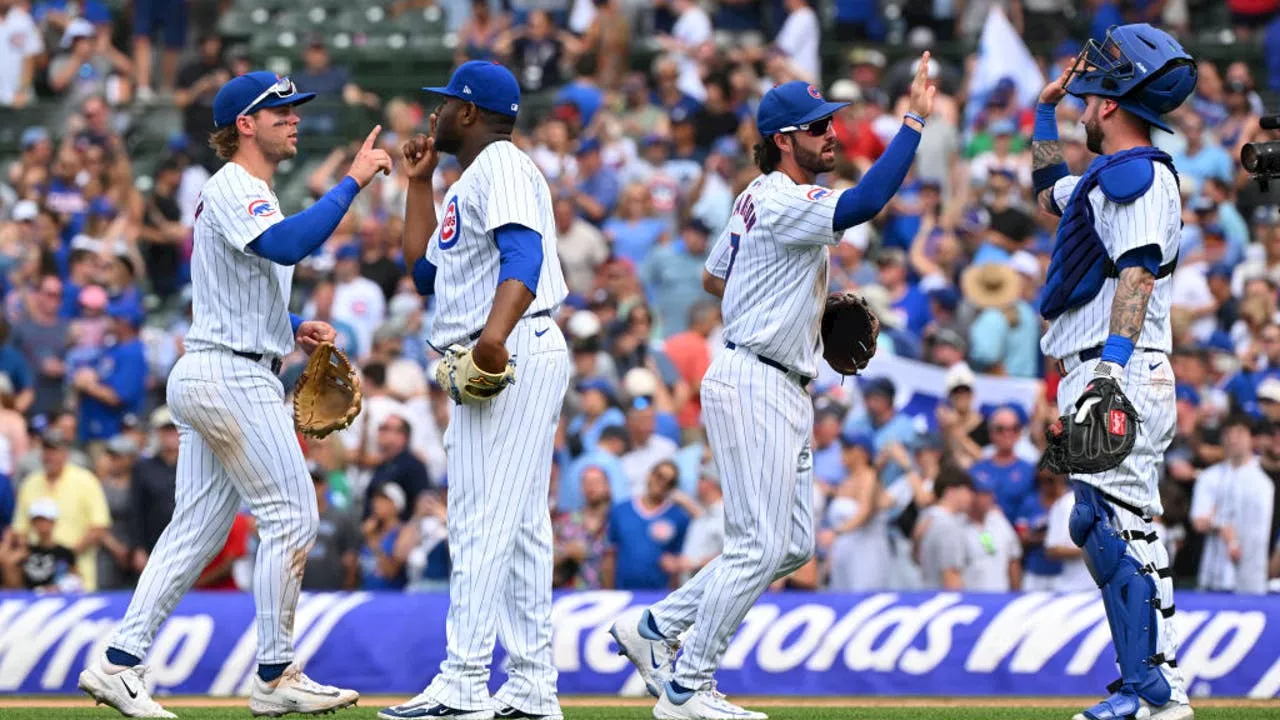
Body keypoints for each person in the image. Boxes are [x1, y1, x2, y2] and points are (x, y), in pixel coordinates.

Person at [610, 54, 934, 718]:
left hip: (776, 376)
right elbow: (869, 201)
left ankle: (651, 630)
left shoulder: (753, 198)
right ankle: (687, 684)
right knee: (757, 545)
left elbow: (713, 276)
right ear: (783, 138)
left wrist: (786, 297)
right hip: (756, 376)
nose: (831, 135)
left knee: (787, 546)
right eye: (817, 128)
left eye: (831, 124)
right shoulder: (784, 197)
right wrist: (915, 121)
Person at [79, 71, 390, 719]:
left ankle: (119, 661)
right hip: (230, 378)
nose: (294, 119)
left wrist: (289, 328)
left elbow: (246, 276)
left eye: (295, 110)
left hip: (223, 366)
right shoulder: (234, 186)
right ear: (245, 124)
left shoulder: (251, 194)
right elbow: (289, 243)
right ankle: (275, 674)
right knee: (293, 517)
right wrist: (354, 178)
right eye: (280, 111)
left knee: (197, 529)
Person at [382, 61, 570, 720]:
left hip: (512, 346)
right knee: (516, 527)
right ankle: (531, 686)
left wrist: (493, 337)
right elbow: (425, 274)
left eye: (442, 106)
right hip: (500, 346)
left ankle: (464, 681)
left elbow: (526, 256)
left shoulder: (504, 168)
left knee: (481, 519)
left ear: (467, 112)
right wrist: (419, 182)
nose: (432, 116)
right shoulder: (468, 180)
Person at [1032, 24, 1197, 720]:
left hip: (1116, 364)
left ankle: (1150, 691)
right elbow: (1049, 194)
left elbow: (1137, 275)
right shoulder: (1112, 175)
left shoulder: (1136, 174)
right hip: (1107, 365)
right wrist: (1043, 113)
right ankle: (1156, 685)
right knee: (1112, 522)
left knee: (1113, 523)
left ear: (1106, 104)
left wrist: (1110, 372)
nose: (1083, 97)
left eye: (1089, 91)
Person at [1191, 414, 1274, 595]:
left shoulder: (1264, 483)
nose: (1233, 439)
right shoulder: (1209, 477)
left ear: (1251, 438)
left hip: (1252, 581)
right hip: (1213, 578)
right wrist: (1221, 526)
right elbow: (1199, 521)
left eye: (1239, 433)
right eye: (1228, 433)